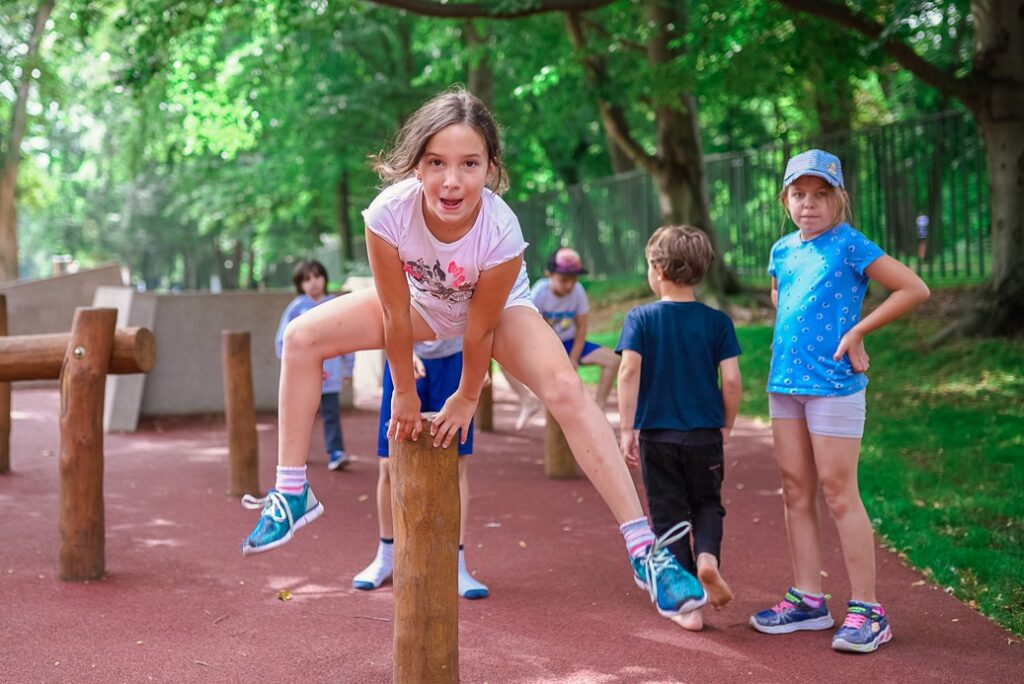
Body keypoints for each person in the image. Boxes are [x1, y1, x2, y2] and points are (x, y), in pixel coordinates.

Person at [239, 88, 703, 619]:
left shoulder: (500, 228)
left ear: (491, 168)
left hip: (499, 311)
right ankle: (292, 490)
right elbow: (393, 316)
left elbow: (478, 333)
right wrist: (405, 394)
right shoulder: (388, 214)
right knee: (301, 337)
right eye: (436, 163)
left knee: (565, 387)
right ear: (416, 164)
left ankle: (645, 548)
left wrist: (464, 396)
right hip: (419, 307)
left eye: (469, 164)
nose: (451, 180)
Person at [749, 149, 929, 653]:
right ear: (785, 199)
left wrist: (858, 331)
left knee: (838, 491)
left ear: (838, 198)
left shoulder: (851, 245)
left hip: (833, 385)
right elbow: (781, 298)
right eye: (799, 194)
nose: (809, 204)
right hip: (785, 385)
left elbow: (914, 288)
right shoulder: (782, 250)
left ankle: (869, 610)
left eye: (820, 194)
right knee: (793, 490)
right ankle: (808, 599)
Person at [616, 225, 742, 630]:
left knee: (668, 513)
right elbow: (734, 380)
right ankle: (708, 558)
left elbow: (628, 370)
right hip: (704, 433)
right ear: (702, 271)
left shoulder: (641, 318)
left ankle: (689, 606)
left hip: (657, 434)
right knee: (707, 504)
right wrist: (727, 424)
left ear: (656, 269)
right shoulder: (717, 322)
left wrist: (626, 428)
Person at [353, 337, 488, 599]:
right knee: (388, 465)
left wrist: (481, 363)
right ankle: (386, 556)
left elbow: (486, 311)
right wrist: (400, 351)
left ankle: (456, 565)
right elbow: (385, 308)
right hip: (405, 359)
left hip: (455, 360)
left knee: (456, 464)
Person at [507, 247, 622, 430]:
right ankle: (527, 400)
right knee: (505, 359)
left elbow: (582, 327)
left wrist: (574, 357)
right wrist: (552, 358)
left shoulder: (578, 292)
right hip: (545, 345)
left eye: (574, 279)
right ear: (549, 274)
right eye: (564, 280)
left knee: (614, 360)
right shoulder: (539, 293)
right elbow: (534, 329)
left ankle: (600, 408)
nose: (570, 285)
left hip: (570, 343)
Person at [274, 259, 355, 471]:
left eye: (317, 276)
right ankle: (296, 454)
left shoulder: (335, 304)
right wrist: (289, 366)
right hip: (305, 375)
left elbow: (346, 337)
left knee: (331, 415)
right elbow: (284, 337)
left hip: (331, 373)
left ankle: (336, 452)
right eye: (307, 279)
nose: (314, 282)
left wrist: (348, 368)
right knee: (301, 414)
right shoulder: (297, 307)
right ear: (300, 284)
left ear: (325, 278)